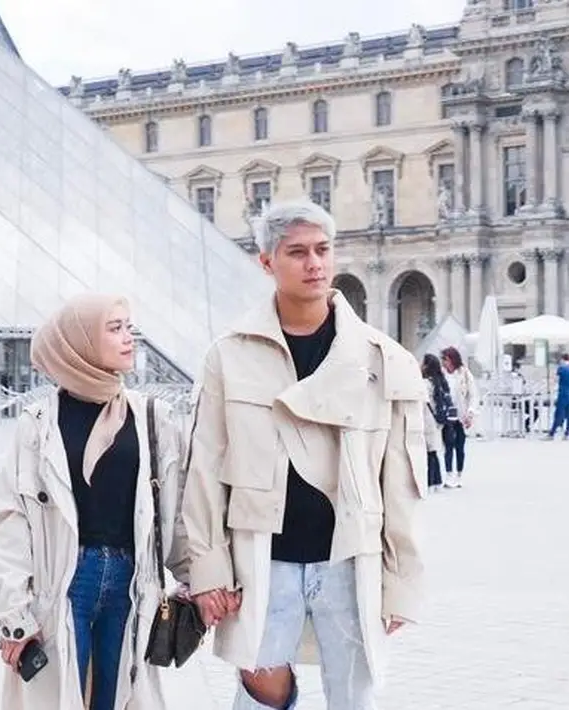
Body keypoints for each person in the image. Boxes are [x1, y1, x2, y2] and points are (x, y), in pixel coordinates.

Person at [182, 200, 427, 709]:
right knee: (260, 692)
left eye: (323, 250)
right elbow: (203, 468)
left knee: (353, 696)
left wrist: (401, 578)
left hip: (349, 556)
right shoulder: (229, 354)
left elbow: (399, 479)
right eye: (297, 252)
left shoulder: (382, 358)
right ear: (267, 262)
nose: (314, 263)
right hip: (262, 557)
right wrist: (207, 568)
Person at [0, 294, 192, 710]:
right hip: (64, 580)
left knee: (116, 698)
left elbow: (178, 512)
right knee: (61, 698)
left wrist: (203, 581)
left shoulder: (153, 417)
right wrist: (14, 616)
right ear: (79, 343)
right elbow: (9, 520)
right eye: (114, 328)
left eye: (129, 326)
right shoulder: (39, 424)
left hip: (131, 583)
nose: (129, 338)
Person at [439, 346, 476, 488]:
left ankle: (459, 475)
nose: (443, 362)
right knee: (448, 445)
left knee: (459, 446)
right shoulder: (441, 374)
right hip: (447, 414)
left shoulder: (464, 373)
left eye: (445, 359)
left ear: (452, 360)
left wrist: (470, 413)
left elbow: (473, 394)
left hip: (461, 414)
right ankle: (448, 474)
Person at [422, 353, 456, 492]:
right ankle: (437, 481)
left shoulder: (425, 383)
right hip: (438, 421)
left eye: (422, 363)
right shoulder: (440, 382)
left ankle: (429, 482)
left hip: (427, 419)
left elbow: (423, 403)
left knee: (428, 452)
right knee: (433, 451)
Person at [546, 354, 569, 440]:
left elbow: (555, 380)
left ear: (562, 359)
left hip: (562, 393)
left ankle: (552, 433)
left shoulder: (561, 368)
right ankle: (567, 433)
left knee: (559, 413)